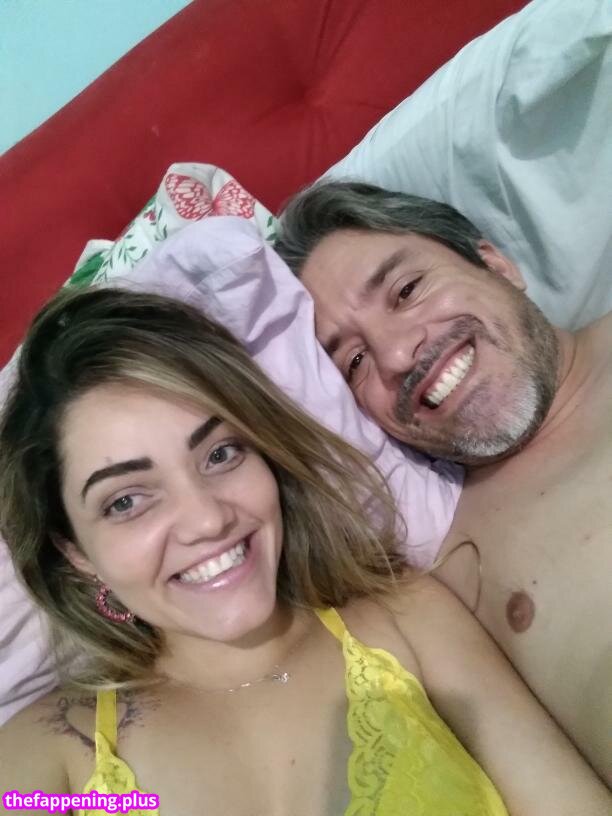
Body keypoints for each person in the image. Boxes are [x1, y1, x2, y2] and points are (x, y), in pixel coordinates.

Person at [1, 288, 609, 816]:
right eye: (127, 501)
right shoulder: (54, 766)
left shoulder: (408, 623)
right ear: (75, 552)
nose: (208, 519)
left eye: (220, 454)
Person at [274, 179, 612, 783]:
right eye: (353, 362)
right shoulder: (444, 577)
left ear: (495, 264)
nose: (397, 354)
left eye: (407, 290)